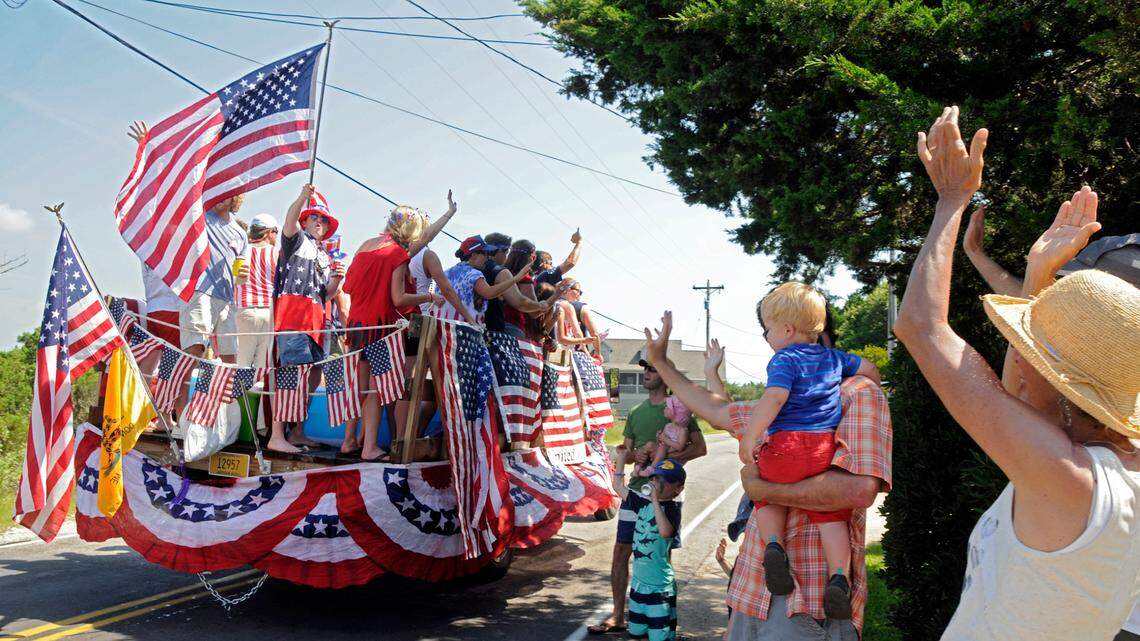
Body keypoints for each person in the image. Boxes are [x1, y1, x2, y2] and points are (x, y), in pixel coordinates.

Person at [897, 106, 1140, 640]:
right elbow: (1021, 390)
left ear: (1057, 384)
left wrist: (951, 200)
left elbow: (919, 325)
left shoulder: (1066, 477)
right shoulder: (1108, 470)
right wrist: (1037, 272)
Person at [638, 311, 891, 640]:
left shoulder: (859, 393)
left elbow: (857, 491)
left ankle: (837, 579)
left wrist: (762, 488)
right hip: (751, 591)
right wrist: (661, 361)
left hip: (808, 607)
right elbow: (715, 410)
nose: (770, 343)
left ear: (806, 331)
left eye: (770, 330)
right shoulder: (782, 400)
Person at [962, 204, 1140, 641]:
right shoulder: (1106, 406)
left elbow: (1014, 398)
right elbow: (1025, 381)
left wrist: (950, 209)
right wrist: (1029, 270)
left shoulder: (1104, 415)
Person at [738, 281, 880, 619]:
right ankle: (839, 577)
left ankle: (774, 545)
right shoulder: (834, 358)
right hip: (821, 450)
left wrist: (751, 437)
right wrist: (870, 388)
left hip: (786, 445)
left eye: (768, 330)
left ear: (786, 329)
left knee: (766, 494)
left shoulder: (783, 360)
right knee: (831, 516)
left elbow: (774, 398)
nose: (768, 338)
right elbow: (871, 371)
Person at [588, 359, 707, 636]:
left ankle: (665, 619)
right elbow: (626, 452)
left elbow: (699, 448)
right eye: (645, 369)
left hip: (666, 493)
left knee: (659, 554)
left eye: (652, 369)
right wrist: (637, 456)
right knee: (621, 550)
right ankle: (618, 616)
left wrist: (664, 459)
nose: (646, 373)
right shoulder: (637, 411)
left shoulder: (678, 409)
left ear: (664, 376)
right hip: (635, 490)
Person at [344, 194, 455, 460]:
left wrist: (447, 215)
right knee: (375, 390)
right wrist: (429, 297)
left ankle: (348, 441)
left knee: (359, 388)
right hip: (381, 328)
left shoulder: (365, 246)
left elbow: (347, 286)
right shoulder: (397, 254)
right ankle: (369, 447)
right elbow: (398, 299)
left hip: (357, 326)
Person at [265, 185, 343, 453]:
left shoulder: (324, 254)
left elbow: (326, 294)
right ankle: (277, 435)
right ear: (305, 220)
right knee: (290, 373)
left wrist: (337, 280)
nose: (319, 222)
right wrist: (301, 197)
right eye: (314, 217)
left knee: (312, 375)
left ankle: (297, 431)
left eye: (323, 219)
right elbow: (288, 220)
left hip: (318, 321)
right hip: (294, 316)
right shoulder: (295, 239)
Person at [611, 449, 685, 641]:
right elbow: (618, 486)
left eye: (663, 481)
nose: (656, 484)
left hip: (660, 588)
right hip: (639, 584)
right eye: (654, 478)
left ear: (678, 488)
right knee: (636, 632)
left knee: (659, 636)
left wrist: (654, 500)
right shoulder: (642, 502)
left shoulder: (672, 509)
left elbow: (665, 532)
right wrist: (621, 458)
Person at [435, 236, 529, 324]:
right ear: (474, 255)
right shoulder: (474, 274)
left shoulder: (446, 273)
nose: (487, 257)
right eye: (485, 253)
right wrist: (515, 279)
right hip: (462, 329)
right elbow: (489, 293)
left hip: (440, 326)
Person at [233, 213, 278, 371]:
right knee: (262, 370)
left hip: (244, 311)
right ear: (268, 233)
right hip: (269, 313)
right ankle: (256, 396)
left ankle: (236, 396)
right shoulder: (277, 254)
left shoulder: (241, 252)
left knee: (241, 366)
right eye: (275, 232)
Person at [634, 396, 692, 479]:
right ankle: (638, 466)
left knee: (662, 448)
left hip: (671, 449)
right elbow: (660, 442)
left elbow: (680, 447)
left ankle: (652, 468)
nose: (664, 409)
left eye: (667, 408)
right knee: (649, 444)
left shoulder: (683, 430)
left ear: (676, 413)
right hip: (664, 447)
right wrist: (659, 437)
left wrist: (665, 439)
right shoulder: (668, 426)